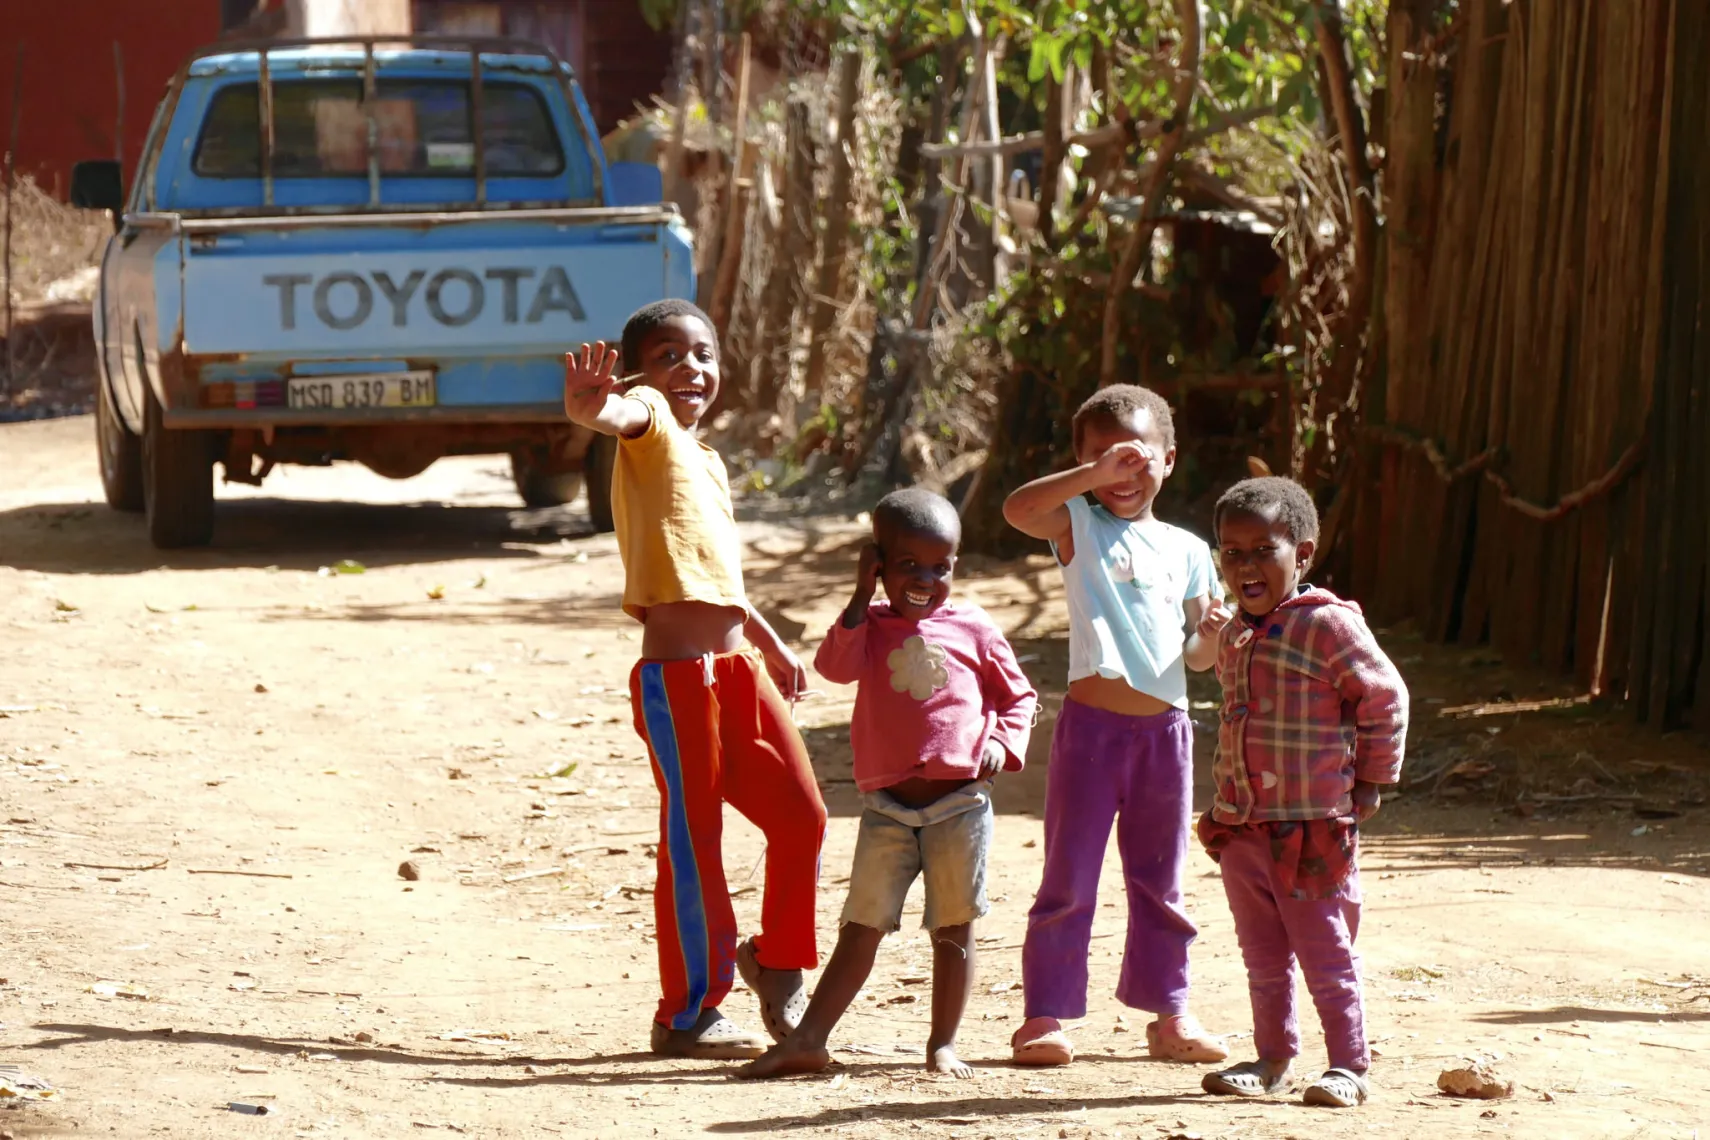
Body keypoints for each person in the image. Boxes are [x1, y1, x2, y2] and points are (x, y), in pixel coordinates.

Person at [562, 299, 828, 1060]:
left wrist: (770, 644)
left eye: (704, 355)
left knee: (801, 816)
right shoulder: (648, 421)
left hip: (740, 669)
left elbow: (719, 574)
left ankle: (777, 962)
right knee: (694, 837)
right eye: (671, 355)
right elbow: (617, 415)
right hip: (679, 678)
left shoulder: (707, 460)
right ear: (643, 368)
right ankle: (688, 1012)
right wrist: (593, 406)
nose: (691, 370)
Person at [741, 488, 1039, 1080]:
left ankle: (943, 1045)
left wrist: (1004, 745)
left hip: (959, 804)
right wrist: (859, 594)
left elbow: (1020, 697)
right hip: (887, 810)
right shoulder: (868, 627)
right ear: (876, 564)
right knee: (862, 927)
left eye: (942, 565)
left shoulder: (975, 626)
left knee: (953, 929)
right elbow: (833, 668)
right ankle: (809, 1040)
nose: (926, 578)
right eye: (907, 565)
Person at [1000, 385, 1230, 1067]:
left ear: (1169, 460)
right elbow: (1019, 508)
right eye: (1102, 459)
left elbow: (1196, 655)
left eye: (1136, 459)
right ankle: (1043, 1016)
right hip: (1091, 731)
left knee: (1161, 880)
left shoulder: (1189, 550)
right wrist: (1095, 476)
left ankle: (1170, 1013)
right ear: (1081, 465)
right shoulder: (1079, 524)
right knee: (1069, 876)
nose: (1122, 473)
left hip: (1166, 737)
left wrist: (1213, 639)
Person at [1195, 476, 1408, 1108]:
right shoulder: (1235, 633)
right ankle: (1271, 1056)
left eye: (1264, 549)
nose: (1247, 565)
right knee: (1261, 952)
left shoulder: (1328, 627)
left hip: (1311, 823)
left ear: (1304, 552)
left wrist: (1370, 777)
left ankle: (1349, 1064)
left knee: (1324, 951)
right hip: (1243, 824)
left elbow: (1384, 697)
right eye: (1232, 553)